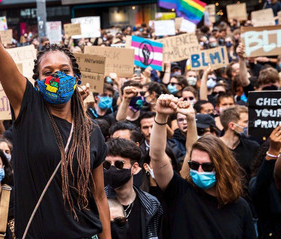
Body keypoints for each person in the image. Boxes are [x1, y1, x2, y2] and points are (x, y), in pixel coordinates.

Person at [0, 0, 110, 238]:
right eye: (48, 72)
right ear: (36, 81)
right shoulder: (28, 107)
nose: (56, 76)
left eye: (64, 70)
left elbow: (99, 197)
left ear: (76, 78)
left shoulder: (92, 133)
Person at [150, 94, 255, 239]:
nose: (199, 171)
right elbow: (157, 156)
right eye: (194, 165)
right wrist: (161, 116)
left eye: (206, 167)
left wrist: (191, 118)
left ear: (222, 167)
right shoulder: (180, 192)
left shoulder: (240, 207)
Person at [104, 138, 162, 239]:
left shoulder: (152, 204)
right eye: (107, 165)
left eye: (119, 164)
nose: (112, 169)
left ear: (134, 168)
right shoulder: (95, 202)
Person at [219, 105, 259, 179]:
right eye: (246, 122)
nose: (249, 125)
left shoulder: (253, 147)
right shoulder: (214, 147)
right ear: (232, 125)